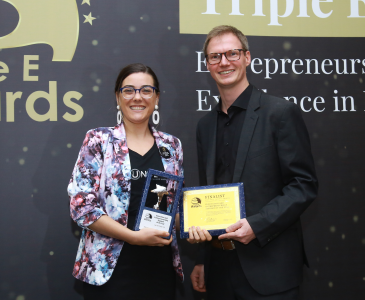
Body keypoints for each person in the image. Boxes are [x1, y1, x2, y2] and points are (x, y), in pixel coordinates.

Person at [188, 25, 318, 300]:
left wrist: (257, 226)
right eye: (215, 56)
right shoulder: (205, 126)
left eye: (232, 53)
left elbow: (303, 185)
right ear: (207, 65)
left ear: (247, 57)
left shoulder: (280, 113)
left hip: (269, 270)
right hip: (219, 271)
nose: (224, 62)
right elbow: (206, 194)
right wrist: (201, 259)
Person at [68, 63, 183, 300]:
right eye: (128, 90)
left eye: (146, 90)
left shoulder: (171, 146)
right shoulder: (98, 140)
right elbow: (82, 207)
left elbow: (174, 207)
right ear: (118, 97)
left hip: (159, 268)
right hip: (110, 269)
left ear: (157, 97)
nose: (137, 97)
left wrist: (198, 223)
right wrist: (133, 237)